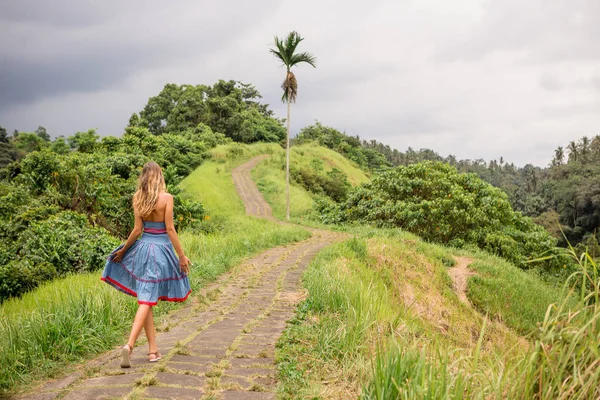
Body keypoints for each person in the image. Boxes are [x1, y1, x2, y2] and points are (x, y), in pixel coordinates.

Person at [101, 161, 192, 368]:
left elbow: (136, 231)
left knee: (146, 298)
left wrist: (123, 251)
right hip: (160, 252)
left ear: (143, 177)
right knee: (146, 300)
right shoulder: (167, 198)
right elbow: (170, 229)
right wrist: (181, 256)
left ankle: (153, 351)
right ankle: (130, 346)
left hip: (142, 250)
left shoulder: (137, 198)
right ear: (159, 176)